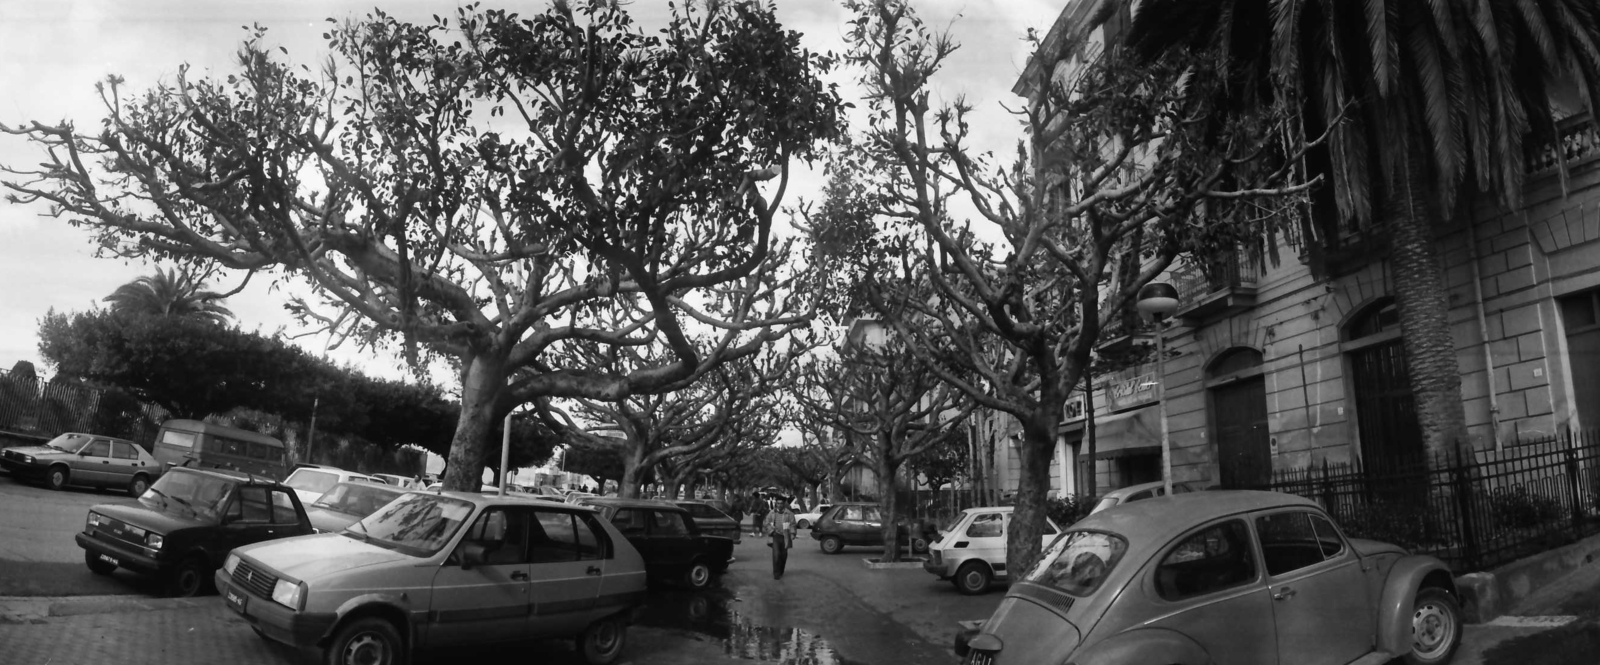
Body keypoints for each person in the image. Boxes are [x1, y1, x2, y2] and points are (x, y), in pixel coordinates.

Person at [763, 501, 797, 580]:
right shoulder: (771, 513)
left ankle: (781, 570)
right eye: (778, 503)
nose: (779, 505)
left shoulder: (789, 514)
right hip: (775, 536)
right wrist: (771, 531)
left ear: (784, 504)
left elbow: (793, 524)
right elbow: (766, 523)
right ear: (776, 504)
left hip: (785, 536)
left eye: (781, 503)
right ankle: (776, 573)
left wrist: (792, 533)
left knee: (783, 555)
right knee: (776, 555)